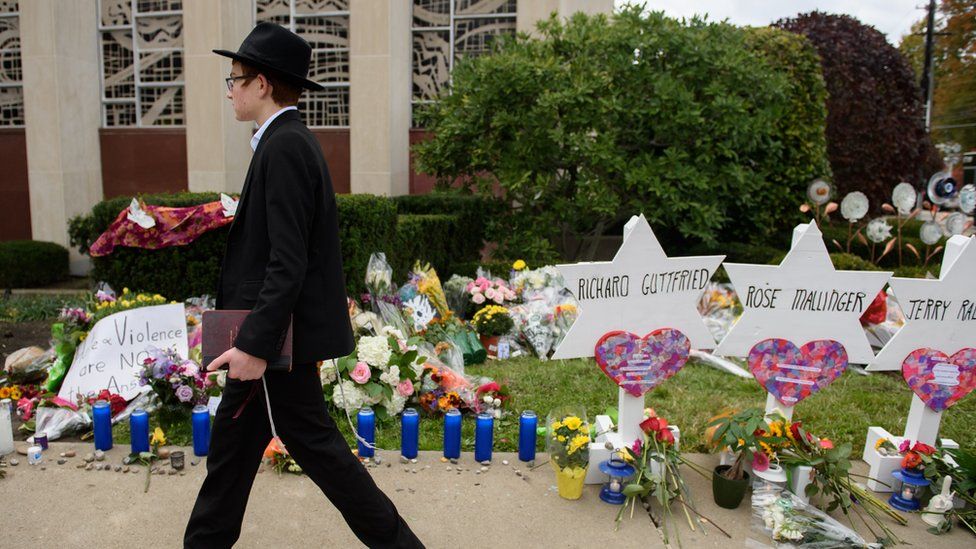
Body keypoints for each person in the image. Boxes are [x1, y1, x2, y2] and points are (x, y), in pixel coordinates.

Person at [183, 23, 425, 549]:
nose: (230, 90)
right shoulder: (283, 142)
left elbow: (287, 263)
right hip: (274, 344)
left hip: (271, 347)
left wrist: (253, 345)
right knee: (237, 458)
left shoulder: (285, 147)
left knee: (311, 455)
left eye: (235, 79)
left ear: (262, 84)